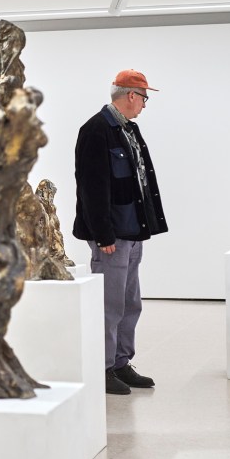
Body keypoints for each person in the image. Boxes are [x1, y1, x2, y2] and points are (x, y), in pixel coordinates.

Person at [73, 70, 168, 395]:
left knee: (130, 302)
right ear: (130, 95)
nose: (144, 104)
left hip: (132, 231)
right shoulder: (96, 130)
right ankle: (102, 368)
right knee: (109, 305)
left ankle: (120, 362)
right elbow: (91, 186)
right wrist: (103, 234)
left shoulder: (130, 129)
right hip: (112, 236)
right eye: (144, 98)